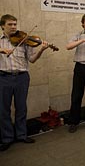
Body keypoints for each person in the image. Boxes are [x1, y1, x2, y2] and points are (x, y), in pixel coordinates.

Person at [0, 14, 49, 151]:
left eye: (15, 24)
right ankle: (7, 138)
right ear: (2, 26)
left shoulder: (24, 40)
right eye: (10, 24)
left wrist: (41, 49)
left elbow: (32, 59)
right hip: (3, 77)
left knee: (21, 107)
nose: (13, 27)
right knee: (4, 109)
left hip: (22, 77)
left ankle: (21, 134)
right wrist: (1, 50)